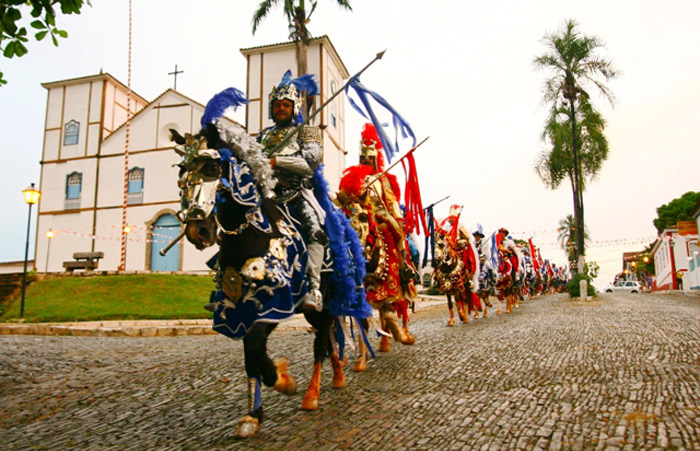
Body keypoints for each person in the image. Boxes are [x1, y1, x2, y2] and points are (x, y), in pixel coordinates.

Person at [337, 123, 417, 352]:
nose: (367, 161)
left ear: (376, 158)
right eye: (364, 156)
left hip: (380, 221)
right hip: (359, 222)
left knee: (398, 236)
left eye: (370, 157)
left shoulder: (384, 180)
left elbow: (391, 204)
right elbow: (345, 201)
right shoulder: (353, 176)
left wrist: (392, 218)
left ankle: (405, 267)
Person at [257, 70, 326, 311]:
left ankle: (313, 289)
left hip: (296, 194)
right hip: (266, 196)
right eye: (277, 105)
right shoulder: (262, 136)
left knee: (314, 229)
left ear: (294, 107)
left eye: (286, 105)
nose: (281, 109)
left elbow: (309, 165)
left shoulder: (308, 132)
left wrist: (276, 161)